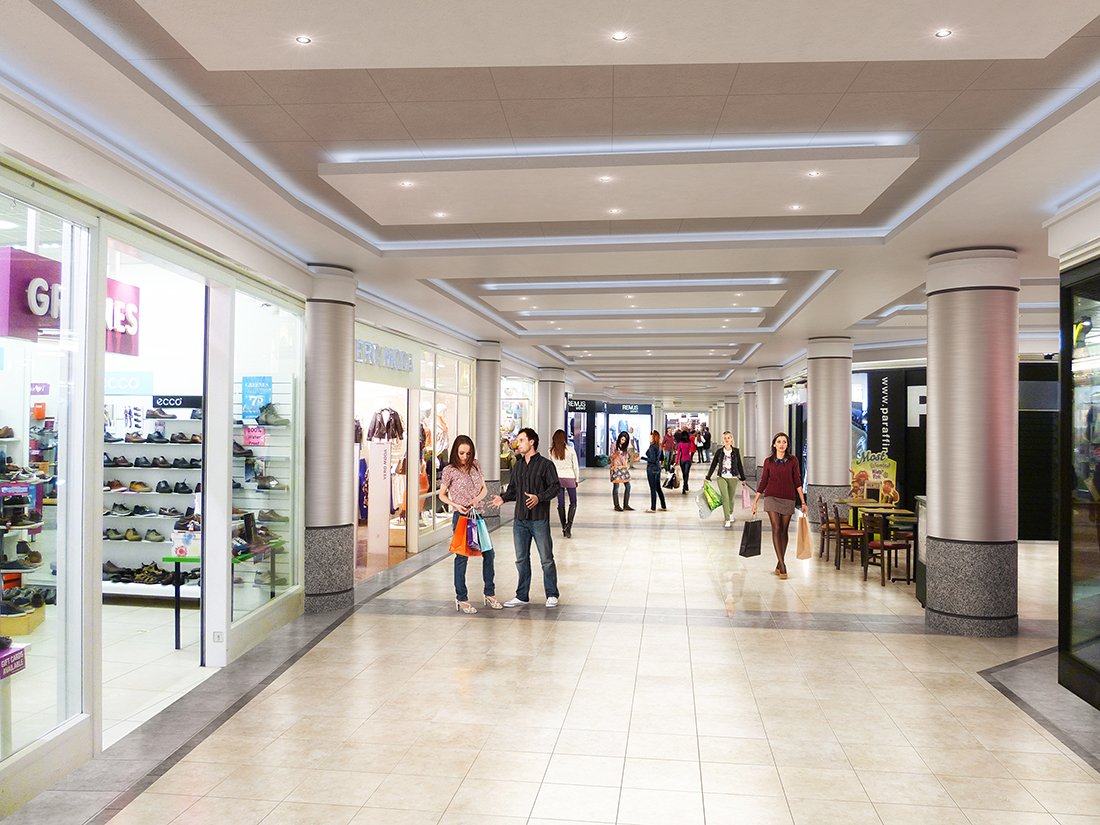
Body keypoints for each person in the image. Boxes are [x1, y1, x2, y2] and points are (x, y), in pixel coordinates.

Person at [490, 428, 561, 608]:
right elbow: (513, 490)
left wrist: (539, 497)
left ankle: (552, 593)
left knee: (546, 558)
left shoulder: (546, 465)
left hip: (539, 519)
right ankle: (522, 595)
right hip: (520, 520)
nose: (518, 444)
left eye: (521, 440)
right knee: (521, 559)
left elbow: (555, 487)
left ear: (532, 442)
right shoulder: (518, 466)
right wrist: (502, 498)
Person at [439, 435, 501, 613]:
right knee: (462, 557)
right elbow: (442, 494)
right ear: (455, 452)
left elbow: (484, 489)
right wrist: (455, 504)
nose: (465, 457)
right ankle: (461, 597)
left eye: (467, 453)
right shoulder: (449, 470)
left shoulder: (476, 464)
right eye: (461, 453)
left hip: (477, 515)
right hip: (461, 516)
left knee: (489, 553)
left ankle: (489, 593)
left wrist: (476, 499)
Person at [751, 432, 808, 580]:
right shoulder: (768, 461)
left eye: (784, 442)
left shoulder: (793, 460)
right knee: (776, 528)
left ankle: (778, 561)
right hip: (771, 497)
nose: (782, 444)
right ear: (774, 445)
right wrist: (756, 501)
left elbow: (797, 481)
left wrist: (802, 502)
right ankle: (783, 564)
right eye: (779, 442)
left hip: (788, 498)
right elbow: (763, 481)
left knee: (784, 530)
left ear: (787, 445)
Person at [705, 431, 746, 528]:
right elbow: (713, 464)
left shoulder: (736, 451)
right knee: (725, 497)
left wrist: (743, 478)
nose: (727, 440)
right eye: (725, 438)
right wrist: (708, 477)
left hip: (733, 477)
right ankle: (727, 519)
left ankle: (730, 513)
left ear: (732, 439)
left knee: (731, 498)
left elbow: (739, 465)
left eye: (728, 438)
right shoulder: (719, 452)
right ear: (722, 440)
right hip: (721, 477)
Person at [549, 428, 579, 537]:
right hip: (570, 477)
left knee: (560, 503)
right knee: (573, 502)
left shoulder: (551, 451)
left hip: (558, 479)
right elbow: (575, 466)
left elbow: (551, 467)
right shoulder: (570, 450)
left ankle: (563, 526)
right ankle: (568, 526)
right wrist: (577, 479)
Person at [644, 430, 667, 513]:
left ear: (653, 437)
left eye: (650, 436)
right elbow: (662, 458)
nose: (649, 437)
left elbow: (652, 459)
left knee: (653, 489)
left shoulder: (652, 447)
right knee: (658, 488)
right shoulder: (659, 446)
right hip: (657, 468)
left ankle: (653, 508)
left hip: (651, 469)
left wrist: (642, 458)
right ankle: (663, 506)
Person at [610, 430, 633, 511]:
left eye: (625, 440)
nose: (623, 441)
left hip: (623, 467)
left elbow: (626, 457)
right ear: (619, 438)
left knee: (628, 486)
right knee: (616, 486)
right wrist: (616, 453)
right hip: (616, 467)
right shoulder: (614, 445)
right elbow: (611, 457)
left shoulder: (625, 446)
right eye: (622, 439)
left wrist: (626, 465)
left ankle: (626, 505)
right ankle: (616, 505)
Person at [676, 426, 695, 494]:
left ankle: (685, 485)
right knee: (687, 473)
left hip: (682, 460)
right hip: (688, 460)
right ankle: (685, 485)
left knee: (684, 473)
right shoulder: (689, 443)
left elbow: (678, 453)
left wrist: (676, 461)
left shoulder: (680, 444)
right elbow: (690, 449)